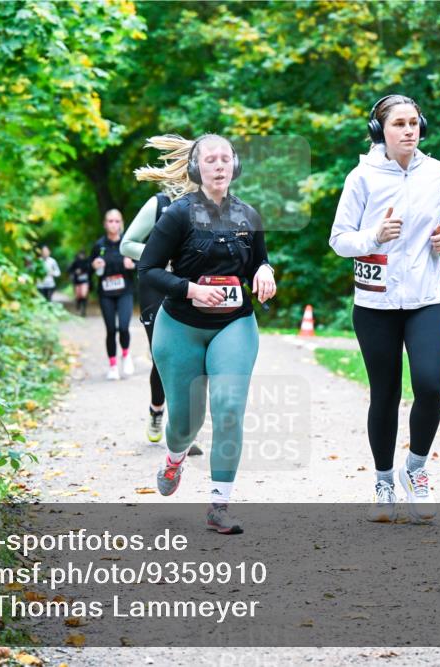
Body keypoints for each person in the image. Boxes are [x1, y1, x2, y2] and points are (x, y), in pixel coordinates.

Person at [329, 94, 440, 523]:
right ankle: (384, 481)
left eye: (413, 123)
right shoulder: (361, 178)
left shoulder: (438, 173)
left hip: (427, 298)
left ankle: (416, 470)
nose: (408, 130)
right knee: (384, 395)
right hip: (375, 303)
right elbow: (339, 239)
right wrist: (374, 236)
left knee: (431, 387)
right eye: (398, 124)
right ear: (379, 131)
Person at [138, 134, 276, 534]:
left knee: (229, 407)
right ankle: (175, 456)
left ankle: (219, 505)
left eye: (225, 159)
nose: (219, 165)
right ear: (197, 169)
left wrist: (264, 271)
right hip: (180, 326)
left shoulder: (249, 216)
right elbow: (148, 270)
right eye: (210, 159)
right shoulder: (178, 215)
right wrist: (192, 289)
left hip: (234, 323)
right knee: (185, 422)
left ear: (235, 166)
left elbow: (259, 262)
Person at [122, 135, 202, 455]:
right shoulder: (160, 204)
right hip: (157, 286)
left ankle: (183, 431)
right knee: (164, 357)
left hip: (192, 288)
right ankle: (158, 409)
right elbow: (126, 244)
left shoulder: (212, 206)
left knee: (192, 358)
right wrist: (160, 256)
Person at [91, 210, 137, 380]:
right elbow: (89, 268)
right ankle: (112, 366)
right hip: (106, 293)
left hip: (125, 291)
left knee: (124, 327)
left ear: (121, 223)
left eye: (117, 221)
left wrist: (132, 265)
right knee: (111, 330)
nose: (113, 224)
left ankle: (125, 355)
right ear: (105, 224)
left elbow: (144, 263)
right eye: (110, 221)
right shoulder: (99, 245)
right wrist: (94, 265)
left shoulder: (128, 243)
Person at [68, 250, 92, 316]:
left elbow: (90, 270)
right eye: (80, 255)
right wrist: (75, 272)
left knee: (84, 294)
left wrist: (84, 271)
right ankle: (78, 303)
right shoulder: (75, 262)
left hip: (85, 281)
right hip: (77, 282)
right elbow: (69, 269)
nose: (81, 256)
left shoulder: (87, 262)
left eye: (83, 255)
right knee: (78, 295)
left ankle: (83, 310)